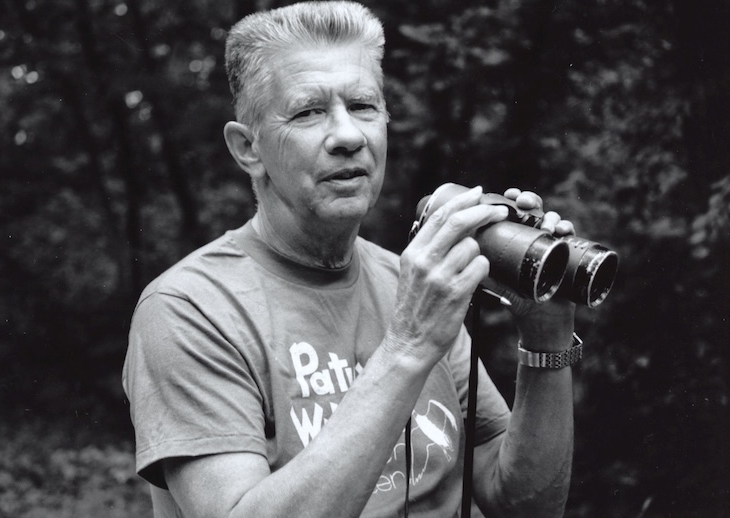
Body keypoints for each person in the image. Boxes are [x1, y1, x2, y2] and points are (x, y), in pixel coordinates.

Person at [123, 2, 578, 517]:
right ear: (248, 149)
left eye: (363, 105)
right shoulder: (189, 308)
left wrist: (547, 338)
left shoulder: (407, 284)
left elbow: (521, 503)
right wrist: (409, 343)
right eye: (309, 111)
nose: (348, 136)